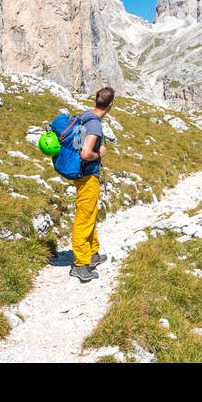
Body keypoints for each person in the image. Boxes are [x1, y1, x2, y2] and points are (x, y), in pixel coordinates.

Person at [69, 87, 114, 283]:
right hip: (87, 176)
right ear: (110, 105)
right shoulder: (95, 125)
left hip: (83, 174)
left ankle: (93, 254)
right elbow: (86, 153)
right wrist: (99, 155)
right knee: (84, 217)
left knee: (90, 214)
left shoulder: (86, 115)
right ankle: (80, 265)